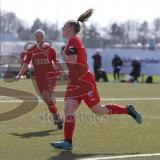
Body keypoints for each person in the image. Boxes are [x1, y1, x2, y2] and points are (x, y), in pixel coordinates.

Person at [50, 9, 142, 150]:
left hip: (84, 81)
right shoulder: (71, 42)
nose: (62, 28)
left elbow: (73, 60)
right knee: (68, 109)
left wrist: (59, 65)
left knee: (99, 110)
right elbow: (72, 63)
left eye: (64, 26)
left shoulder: (73, 40)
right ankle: (68, 141)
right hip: (75, 81)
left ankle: (128, 110)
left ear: (71, 29)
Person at [16, 29, 63, 129]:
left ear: (44, 37)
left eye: (41, 36)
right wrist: (19, 74)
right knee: (47, 99)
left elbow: (56, 62)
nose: (39, 38)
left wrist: (63, 72)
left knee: (46, 96)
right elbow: (25, 64)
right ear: (35, 38)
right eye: (37, 37)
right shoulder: (31, 50)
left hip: (50, 76)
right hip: (39, 78)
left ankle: (56, 116)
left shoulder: (50, 49)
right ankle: (57, 116)